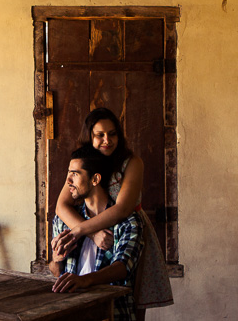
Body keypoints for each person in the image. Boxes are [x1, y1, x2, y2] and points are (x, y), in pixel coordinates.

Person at [54, 107, 174, 317]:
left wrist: (81, 231)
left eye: (112, 133)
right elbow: (61, 206)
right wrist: (92, 234)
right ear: (89, 136)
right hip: (91, 228)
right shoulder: (83, 166)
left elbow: (123, 209)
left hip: (124, 227)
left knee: (131, 296)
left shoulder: (131, 162)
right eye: (99, 135)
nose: (107, 140)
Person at [50, 144, 143, 321]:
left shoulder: (128, 221)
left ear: (95, 179)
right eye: (69, 173)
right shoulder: (64, 220)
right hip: (69, 311)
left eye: (75, 174)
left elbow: (122, 268)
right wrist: (56, 259)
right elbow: (55, 271)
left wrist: (84, 280)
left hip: (111, 311)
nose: (68, 180)